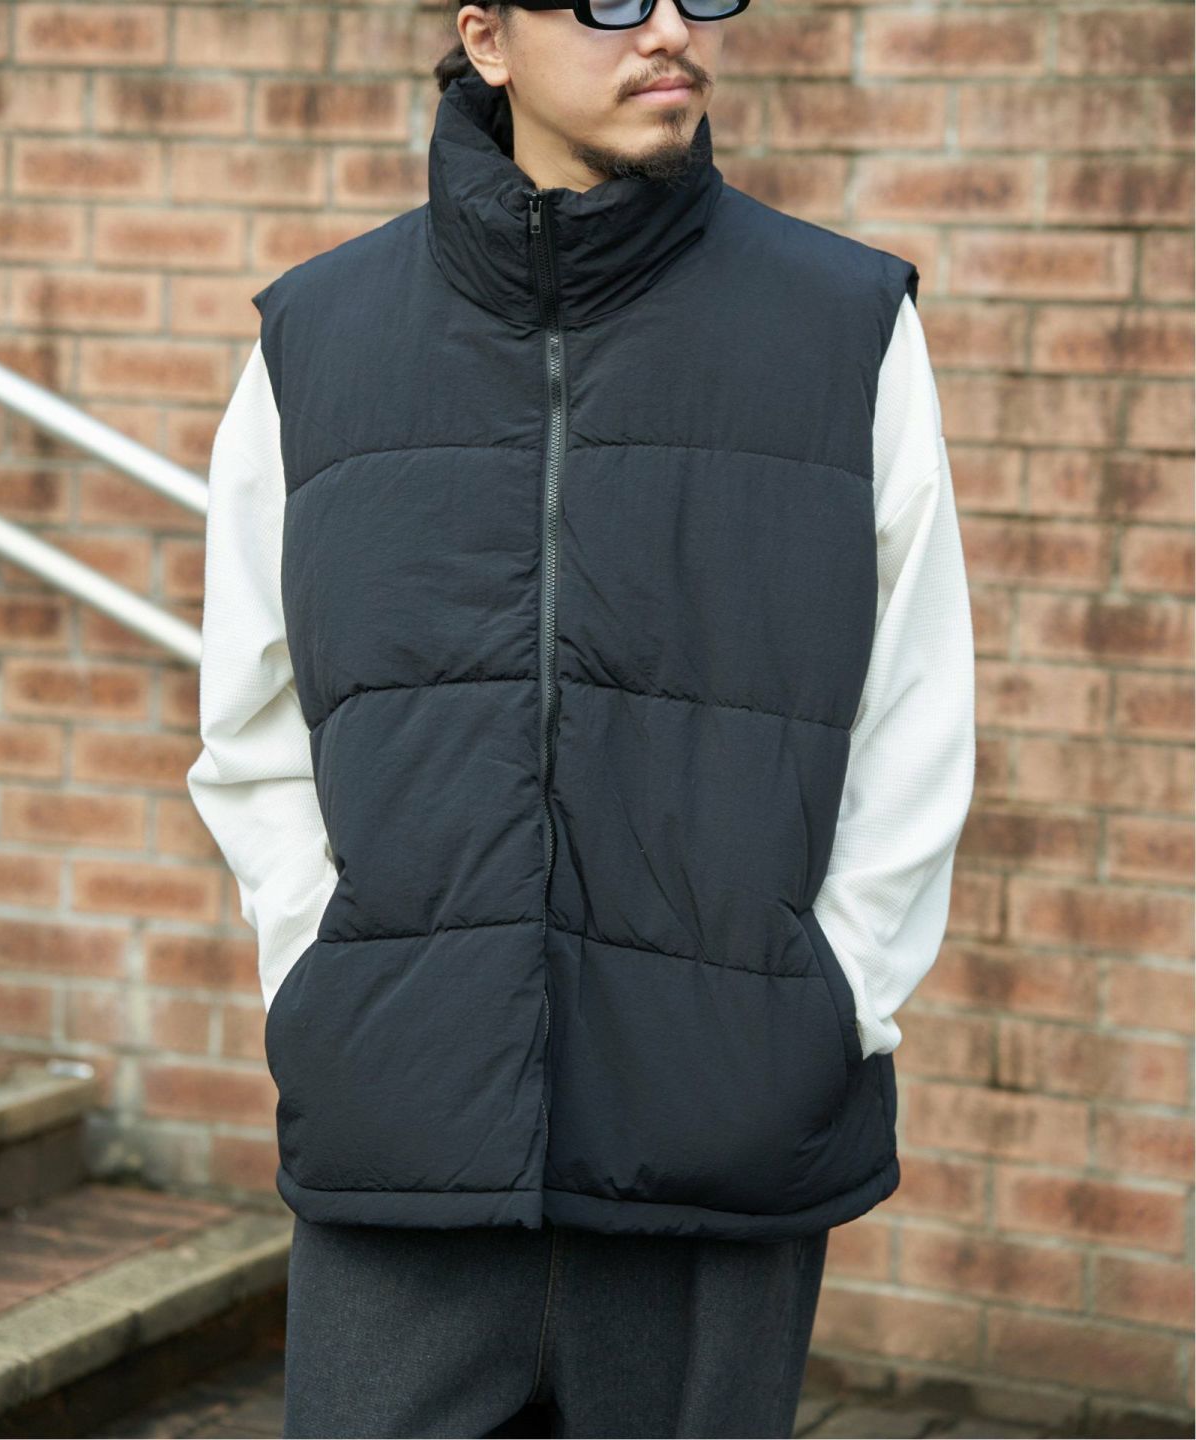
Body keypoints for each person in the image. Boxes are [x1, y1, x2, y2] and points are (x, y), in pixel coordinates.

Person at [185, 0, 976, 1431]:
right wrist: (324, 966)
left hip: (717, 1138)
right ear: (487, 39)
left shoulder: (843, 324)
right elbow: (251, 714)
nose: (667, 29)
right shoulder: (317, 336)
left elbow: (918, 709)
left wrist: (827, 1001)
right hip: (403, 1133)